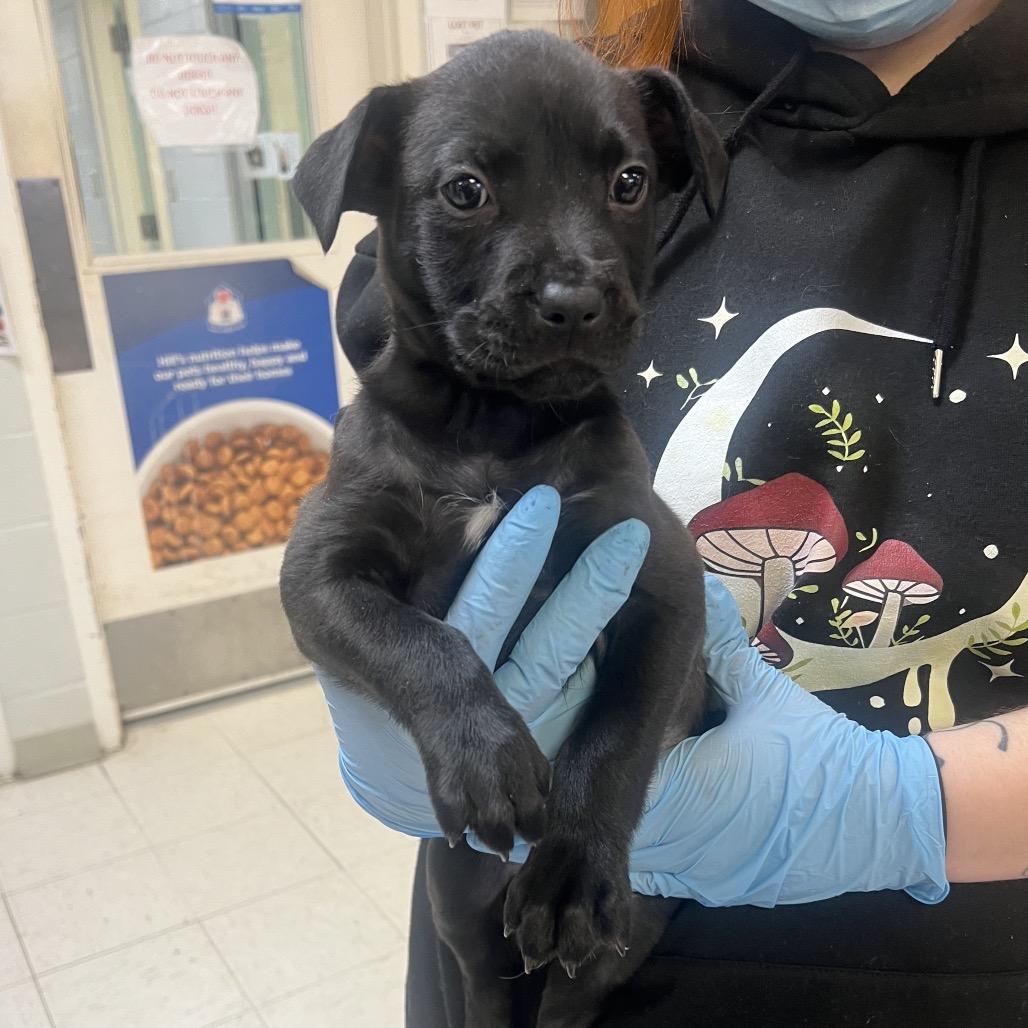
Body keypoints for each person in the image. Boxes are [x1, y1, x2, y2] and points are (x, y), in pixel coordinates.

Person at [319, 0, 1028, 1023]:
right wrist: (414, 678)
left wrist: (895, 809)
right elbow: (365, 538)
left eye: (622, 190)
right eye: (471, 194)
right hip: (514, 932)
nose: (568, 284)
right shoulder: (574, 97)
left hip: (953, 970)